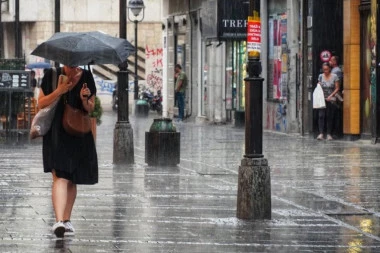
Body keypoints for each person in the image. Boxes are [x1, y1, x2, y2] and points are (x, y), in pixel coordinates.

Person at [38, 65, 98, 238]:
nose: (71, 64)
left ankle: (66, 220)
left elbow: (90, 108)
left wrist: (85, 99)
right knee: (60, 175)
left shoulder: (87, 76)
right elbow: (41, 103)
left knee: (72, 178)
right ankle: (58, 221)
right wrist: (60, 90)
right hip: (56, 132)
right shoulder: (52, 74)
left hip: (79, 130)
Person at [316, 62, 340, 141]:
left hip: (331, 98)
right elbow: (318, 87)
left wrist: (331, 95)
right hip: (322, 99)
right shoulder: (320, 76)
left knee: (329, 116)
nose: (325, 71)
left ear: (329, 69)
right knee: (321, 115)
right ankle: (321, 133)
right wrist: (318, 85)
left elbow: (337, 88)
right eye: (324, 70)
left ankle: (329, 134)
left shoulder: (334, 76)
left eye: (326, 69)